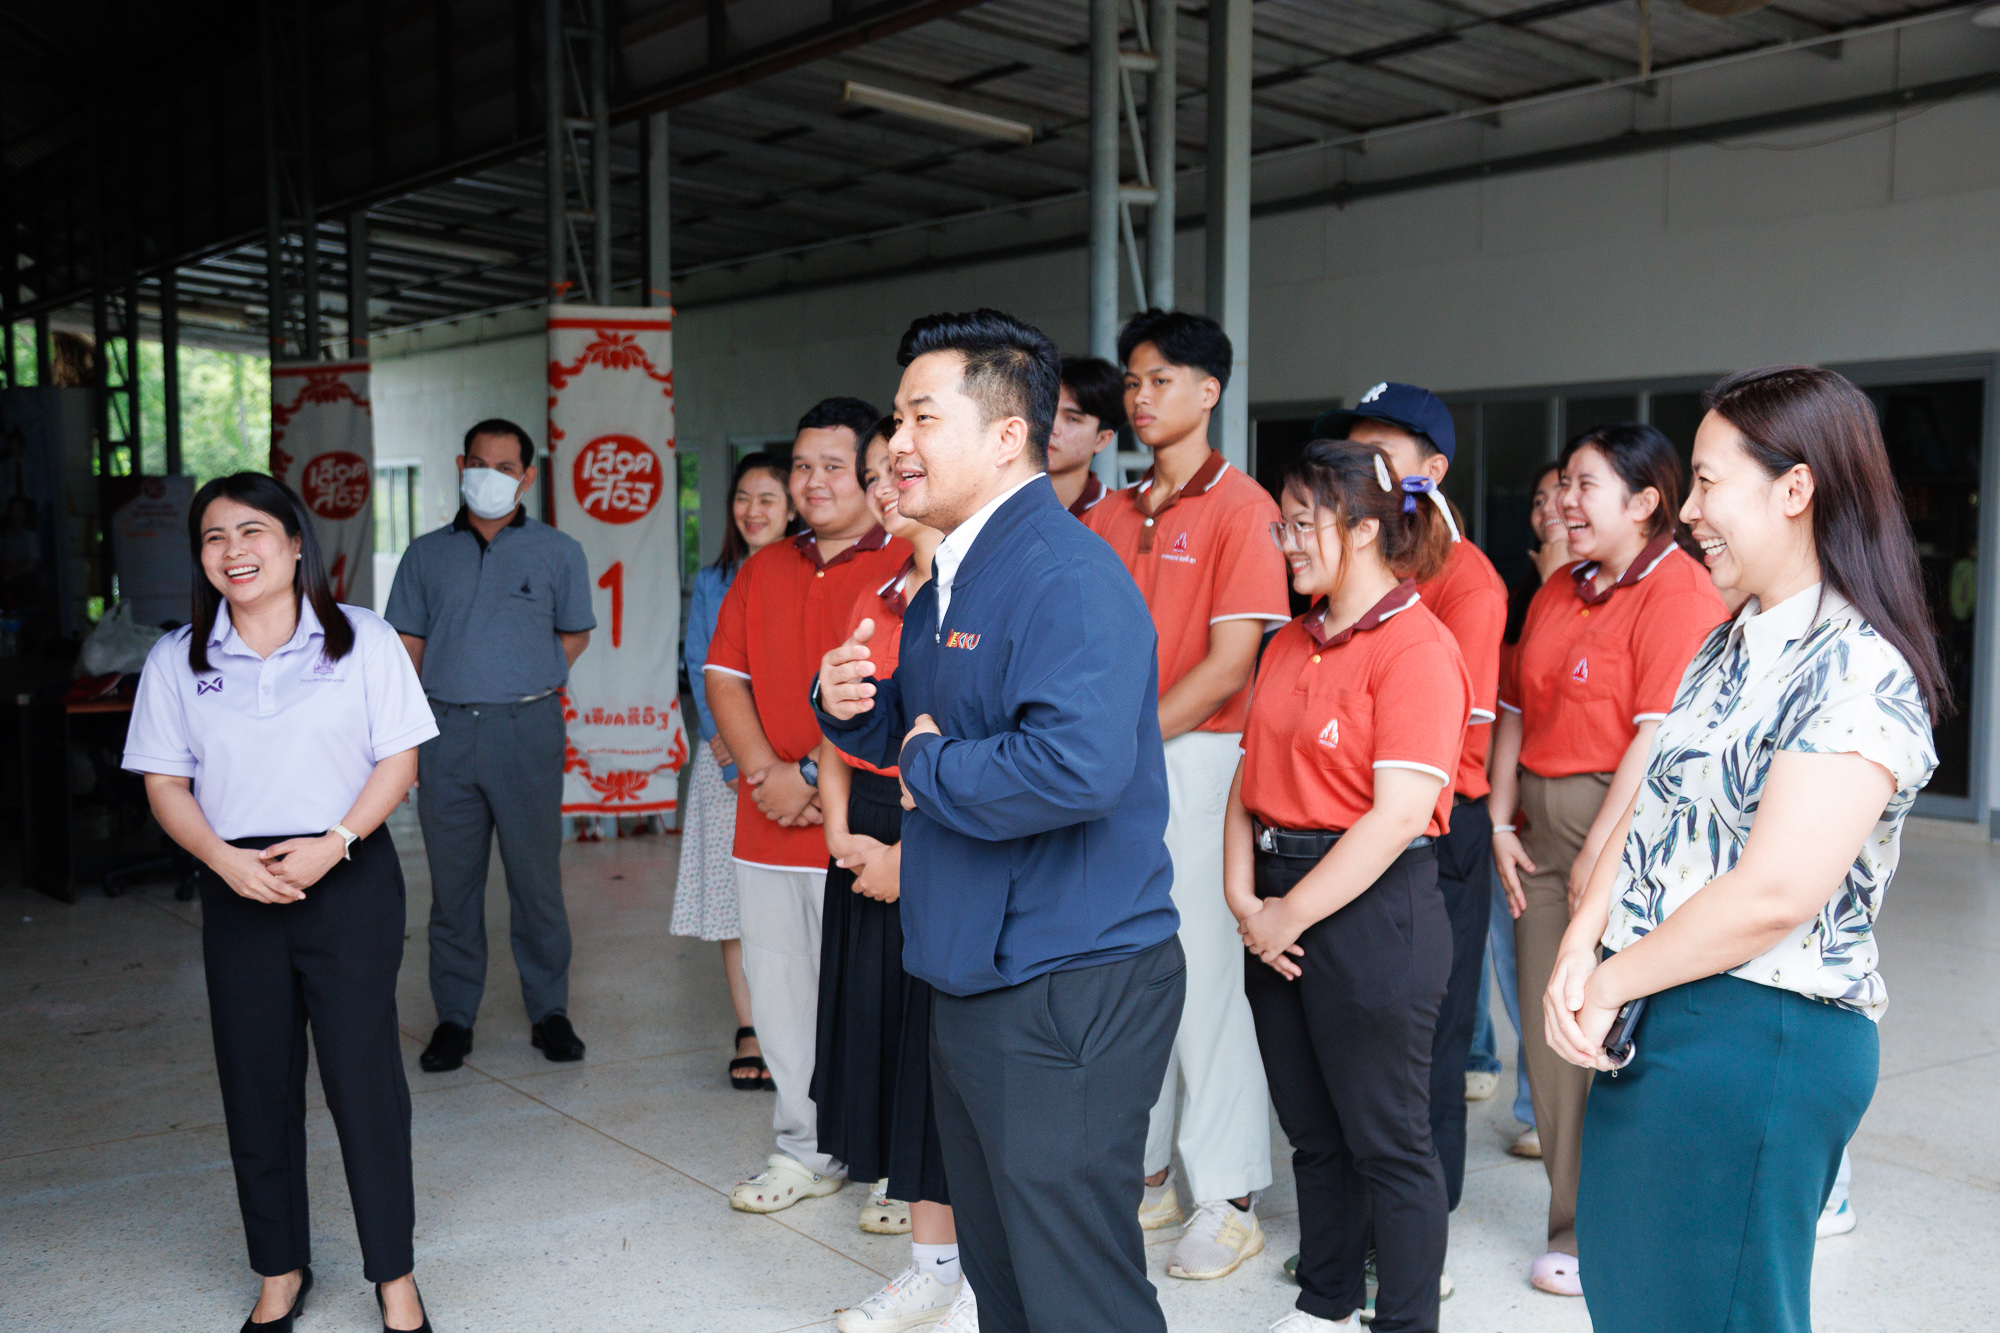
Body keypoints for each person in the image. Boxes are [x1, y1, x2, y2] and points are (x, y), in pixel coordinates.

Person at [1547, 365, 1943, 1332]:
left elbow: (1775, 892)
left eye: (1707, 481)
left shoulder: (1858, 668)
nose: (1688, 511)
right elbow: (1649, 801)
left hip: (1761, 1035)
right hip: (1661, 1008)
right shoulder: (1730, 640)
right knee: (1636, 1296)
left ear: (1795, 488)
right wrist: (1581, 944)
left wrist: (1609, 979)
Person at [815, 308, 1184, 1333]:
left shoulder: (1065, 575)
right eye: (897, 417)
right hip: (977, 967)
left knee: (1077, 1289)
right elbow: (928, 718)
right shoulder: (957, 571)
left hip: (1066, 979)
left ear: (1007, 434)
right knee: (1008, 1278)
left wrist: (926, 761)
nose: (897, 443)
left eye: (922, 417)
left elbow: (1075, 766)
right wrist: (847, 704)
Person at [123, 473, 439, 1332]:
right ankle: (279, 1268)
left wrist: (335, 841)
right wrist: (223, 861)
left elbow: (399, 759)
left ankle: (395, 1275)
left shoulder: (363, 639)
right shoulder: (177, 658)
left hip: (348, 873)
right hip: (237, 883)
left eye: (252, 531)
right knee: (255, 1081)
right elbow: (165, 782)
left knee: (365, 1082)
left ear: (296, 544)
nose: (234, 550)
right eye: (214, 536)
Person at [1229, 439, 1469, 1333]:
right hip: (1274, 904)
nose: (1287, 543)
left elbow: (1398, 814)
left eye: (1304, 524)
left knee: (1389, 1143)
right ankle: (1325, 1304)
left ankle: (1403, 1322)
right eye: (1282, 525)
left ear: (1364, 530)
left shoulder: (1417, 645)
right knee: (1314, 1133)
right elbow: (1247, 779)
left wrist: (1286, 912)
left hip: (1371, 910)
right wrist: (1244, 898)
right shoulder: (1290, 641)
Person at [1487, 423, 1726, 1297]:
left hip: (1627, 838)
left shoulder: (1680, 591)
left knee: (1625, 1032)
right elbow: (1515, 705)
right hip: (1539, 837)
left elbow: (1656, 737)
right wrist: (1498, 816)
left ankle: (1638, 1226)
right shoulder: (1560, 587)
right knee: (1552, 1035)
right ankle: (1574, 1224)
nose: (1564, 501)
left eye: (1585, 485)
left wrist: (1600, 849)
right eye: (1563, 485)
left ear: (1645, 501)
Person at [1083, 307, 1286, 1280]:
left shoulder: (1243, 508)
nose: (1139, 395)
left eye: (1159, 378)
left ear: (1209, 391)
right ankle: (1149, 1173)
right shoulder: (1108, 513)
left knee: (1205, 981)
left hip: (1198, 762)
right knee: (1128, 975)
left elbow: (1227, 665)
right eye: (1131, 380)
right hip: (1115, 767)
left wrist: (1119, 743)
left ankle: (1231, 1197)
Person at [706, 396, 912, 1212]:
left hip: (861, 828)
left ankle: (898, 1162)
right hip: (765, 825)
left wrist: (803, 772)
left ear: (872, 473)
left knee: (878, 998)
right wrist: (766, 771)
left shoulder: (904, 562)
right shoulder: (763, 567)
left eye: (834, 466)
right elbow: (724, 676)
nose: (813, 481)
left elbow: (890, 696)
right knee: (782, 995)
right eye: (801, 465)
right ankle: (804, 1146)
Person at [1313, 383, 1506, 1245]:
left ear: (1433, 469)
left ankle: (1420, 1239)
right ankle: (1361, 1226)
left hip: (1432, 828)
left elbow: (1441, 740)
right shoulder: (1352, 558)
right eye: (1355, 453)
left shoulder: (1466, 579)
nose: (1364, 468)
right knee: (1356, 1034)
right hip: (1350, 822)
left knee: (1427, 1038)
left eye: (1383, 455)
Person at [818, 418, 978, 1333]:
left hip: (943, 849)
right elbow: (850, 722)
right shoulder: (885, 593)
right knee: (905, 1068)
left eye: (901, 467)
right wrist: (843, 831)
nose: (886, 486)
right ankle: (931, 1266)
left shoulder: (988, 595)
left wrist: (908, 862)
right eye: (877, 471)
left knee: (960, 1074)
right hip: (874, 835)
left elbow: (982, 762)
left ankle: (985, 1278)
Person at [385, 418, 595, 1072]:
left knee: (536, 883)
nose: (489, 476)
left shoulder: (559, 551)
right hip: (444, 732)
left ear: (527, 477)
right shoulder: (424, 555)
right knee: (453, 888)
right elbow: (406, 648)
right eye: (478, 463)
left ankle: (549, 1011)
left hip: (526, 729)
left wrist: (526, 676)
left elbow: (574, 634)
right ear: (460, 466)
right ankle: (454, 1016)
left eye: (505, 467)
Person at [675, 450, 795, 1091]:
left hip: (795, 764)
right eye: (743, 498)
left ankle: (800, 1028)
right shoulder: (714, 580)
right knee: (733, 906)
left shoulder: (810, 572)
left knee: (795, 905)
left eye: (767, 498)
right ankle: (749, 1027)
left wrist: (778, 760)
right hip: (725, 761)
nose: (753, 510)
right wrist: (731, 749)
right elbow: (703, 665)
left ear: (793, 507)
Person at [1470, 461, 1566, 1146]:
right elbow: (1509, 704)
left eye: (1571, 491)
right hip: (1514, 815)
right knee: (1518, 967)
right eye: (1541, 498)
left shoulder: (1604, 594)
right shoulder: (1523, 594)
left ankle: (1551, 1111)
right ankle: (1537, 1108)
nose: (1553, 507)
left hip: (1577, 821)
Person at [1048, 354, 1124, 518]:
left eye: (1072, 419)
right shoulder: (997, 499)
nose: (1051, 427)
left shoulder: (1117, 517)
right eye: (1046, 411)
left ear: (1101, 440)